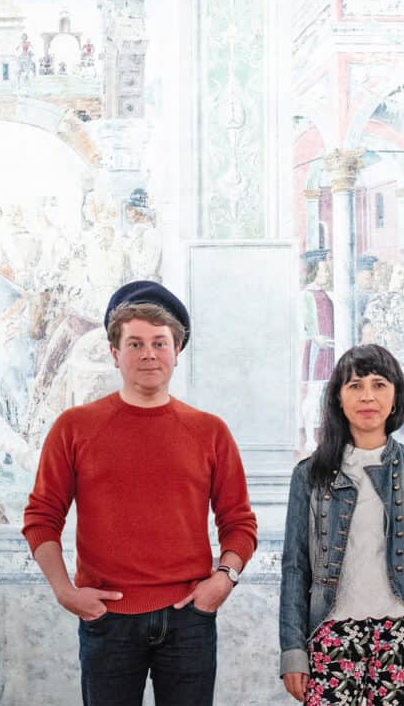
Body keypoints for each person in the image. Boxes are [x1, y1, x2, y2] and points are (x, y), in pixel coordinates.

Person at [22, 280, 258, 706]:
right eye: (134, 343)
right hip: (108, 620)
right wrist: (64, 590)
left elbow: (239, 522)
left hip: (189, 619)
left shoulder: (210, 431)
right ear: (114, 353)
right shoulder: (75, 428)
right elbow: (41, 517)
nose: (148, 354)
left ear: (176, 351)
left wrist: (224, 580)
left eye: (159, 343)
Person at [279, 344, 404, 704]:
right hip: (330, 628)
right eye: (355, 386)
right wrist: (293, 650)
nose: (367, 396)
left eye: (379, 384)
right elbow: (295, 568)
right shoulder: (309, 475)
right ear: (338, 400)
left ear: (396, 398)